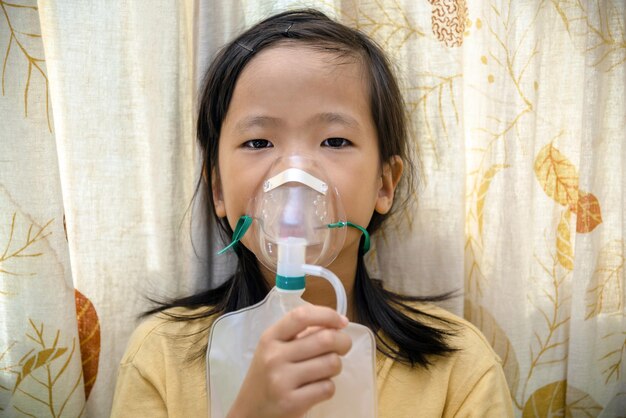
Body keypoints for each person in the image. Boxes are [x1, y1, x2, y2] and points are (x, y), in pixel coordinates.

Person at [110, 9, 513, 418]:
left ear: (384, 184)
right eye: (258, 142)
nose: (295, 174)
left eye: (335, 140)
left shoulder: (457, 368)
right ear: (218, 188)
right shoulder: (162, 357)